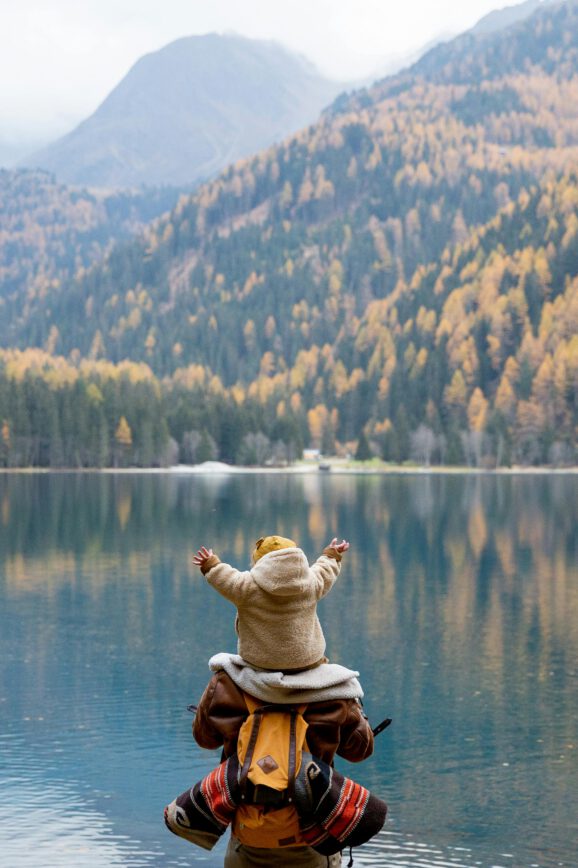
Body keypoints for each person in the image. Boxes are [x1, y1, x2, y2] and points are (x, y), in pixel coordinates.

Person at [192, 535, 349, 672]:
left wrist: (210, 563)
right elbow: (325, 569)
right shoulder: (311, 583)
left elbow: (224, 577)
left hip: (261, 663)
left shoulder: (246, 587)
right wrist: (332, 554)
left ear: (259, 561)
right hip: (308, 661)